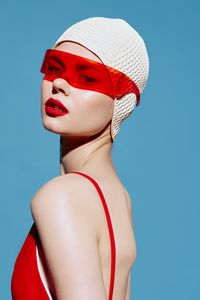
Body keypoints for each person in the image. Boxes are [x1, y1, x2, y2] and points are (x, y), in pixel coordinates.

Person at [11, 16, 149, 300]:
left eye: (87, 76)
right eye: (54, 67)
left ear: (121, 102)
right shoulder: (118, 197)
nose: (59, 83)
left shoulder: (63, 196)